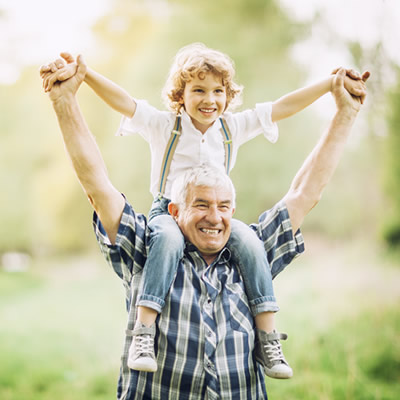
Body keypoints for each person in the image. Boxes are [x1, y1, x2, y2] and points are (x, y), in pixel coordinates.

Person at [40, 52, 368, 399]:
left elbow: (305, 190)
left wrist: (340, 101)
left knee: (250, 241)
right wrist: (71, 92)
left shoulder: (249, 245)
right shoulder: (146, 247)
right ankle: (144, 333)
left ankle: (268, 339)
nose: (214, 216)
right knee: (167, 237)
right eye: (201, 205)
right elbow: (97, 183)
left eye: (224, 206)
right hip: (163, 223)